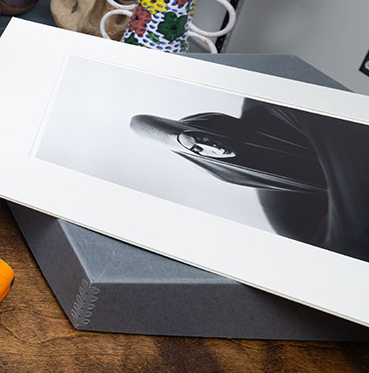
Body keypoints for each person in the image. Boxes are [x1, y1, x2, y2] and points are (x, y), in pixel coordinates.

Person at [130, 100, 369, 262]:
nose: (214, 149)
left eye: (204, 140)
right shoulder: (279, 207)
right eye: (203, 152)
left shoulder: (269, 103)